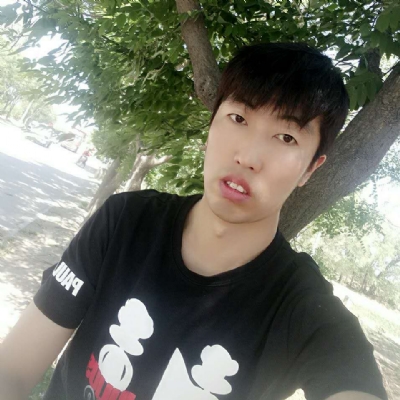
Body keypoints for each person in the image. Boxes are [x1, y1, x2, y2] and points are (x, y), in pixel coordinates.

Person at [0, 43, 388, 400]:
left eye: (286, 137)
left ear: (311, 169)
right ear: (211, 124)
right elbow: (13, 370)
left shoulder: (303, 311)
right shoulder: (124, 223)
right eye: (238, 117)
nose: (248, 156)